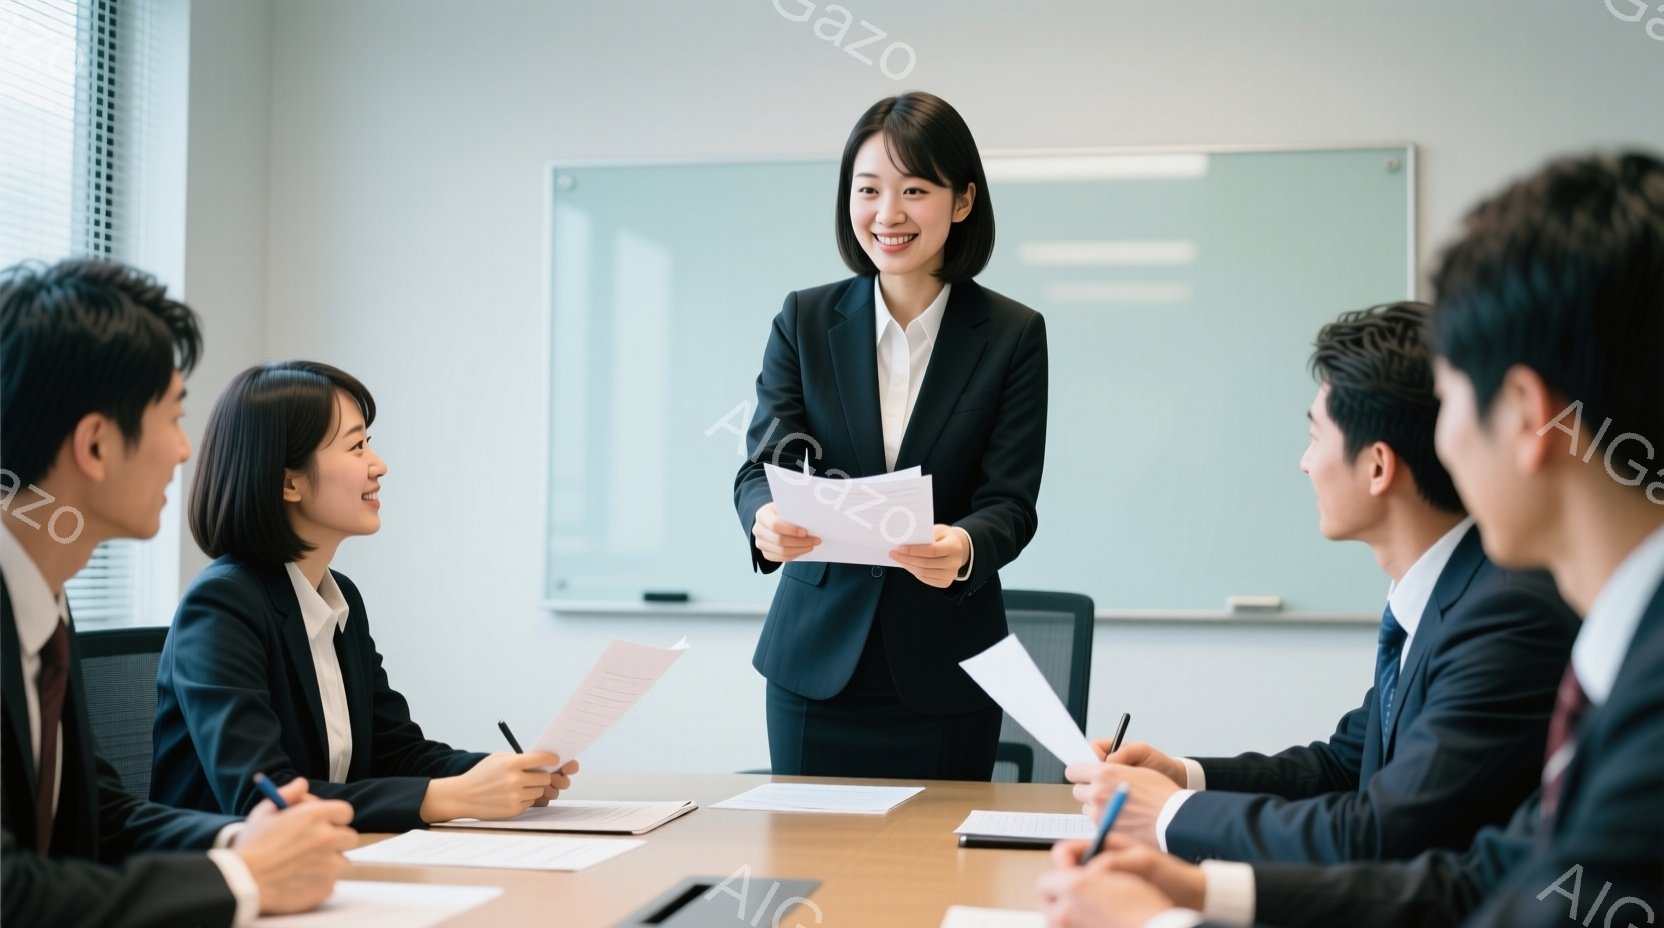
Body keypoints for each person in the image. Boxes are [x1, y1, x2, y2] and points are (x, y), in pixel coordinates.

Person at [1037, 151, 1664, 928]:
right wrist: (1198, 892)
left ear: (1528, 414)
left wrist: (1159, 917)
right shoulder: (1620, 643)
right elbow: (1483, 880)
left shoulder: (1598, 654)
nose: (1446, 441)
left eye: (1455, 399)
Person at [1066, 302, 1578, 863]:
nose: (1305, 463)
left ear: (1378, 467)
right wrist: (1181, 776)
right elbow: (1343, 766)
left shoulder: (1505, 613)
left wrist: (1165, 813)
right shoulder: (1442, 592)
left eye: (1316, 436)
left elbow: (1380, 833)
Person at [0, 258, 358, 926]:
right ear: (97, 445)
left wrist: (238, 841)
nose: (187, 450)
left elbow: (99, 814)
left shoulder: (42, 600)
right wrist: (241, 879)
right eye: (173, 415)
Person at [734, 91, 1048, 779]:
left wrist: (965, 545)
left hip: (947, 670)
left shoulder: (1013, 336)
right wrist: (765, 517)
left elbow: (1012, 502)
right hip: (814, 666)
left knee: (935, 875)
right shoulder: (804, 320)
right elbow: (764, 463)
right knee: (811, 875)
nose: (888, 214)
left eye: (914, 189)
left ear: (962, 201)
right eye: (868, 189)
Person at [151, 361, 580, 832]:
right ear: (289, 481)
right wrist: (452, 796)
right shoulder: (222, 606)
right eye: (356, 446)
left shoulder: (339, 598)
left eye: (368, 444)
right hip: (226, 885)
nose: (379, 465)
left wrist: (501, 776)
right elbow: (262, 796)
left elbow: (395, 751)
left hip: (330, 864)